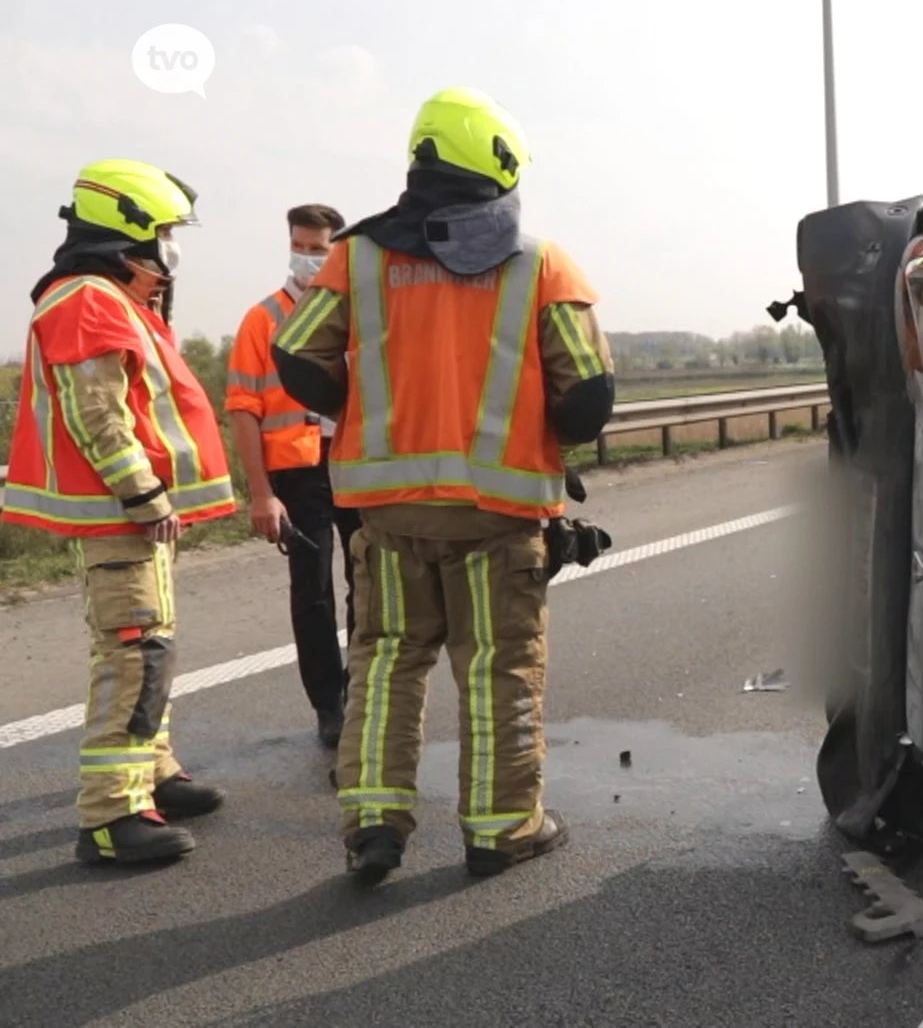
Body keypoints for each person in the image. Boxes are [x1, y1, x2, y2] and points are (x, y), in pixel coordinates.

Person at [273, 86, 616, 884]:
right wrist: (546, 435)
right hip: (499, 516)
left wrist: (357, 408)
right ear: (497, 168)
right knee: (498, 669)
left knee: (388, 661)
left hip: (386, 513)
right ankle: (503, 830)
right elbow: (591, 395)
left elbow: (296, 357)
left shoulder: (355, 257)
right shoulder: (541, 263)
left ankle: (371, 827)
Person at [0, 159, 236, 864]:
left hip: (132, 518)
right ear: (129, 227)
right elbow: (96, 412)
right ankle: (110, 816)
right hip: (120, 515)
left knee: (150, 650)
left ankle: (153, 774)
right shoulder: (87, 299)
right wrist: (141, 493)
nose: (171, 245)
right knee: (134, 655)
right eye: (163, 230)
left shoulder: (111, 296)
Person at [224, 203, 363, 749]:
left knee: (368, 584)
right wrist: (261, 494)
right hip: (298, 474)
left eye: (318, 249)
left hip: (354, 462)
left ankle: (364, 693)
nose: (306, 258)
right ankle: (329, 705)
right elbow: (242, 408)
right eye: (299, 247)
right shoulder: (263, 319)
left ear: (337, 251)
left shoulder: (358, 314)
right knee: (312, 592)